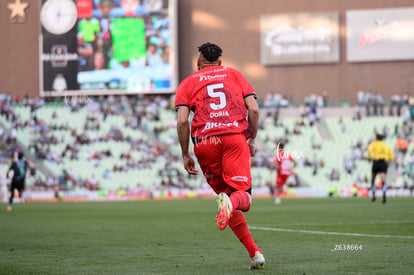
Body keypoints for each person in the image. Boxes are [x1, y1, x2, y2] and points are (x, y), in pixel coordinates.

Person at [175, 42, 265, 269]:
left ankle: (255, 254)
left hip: (205, 142)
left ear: (198, 61)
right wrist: (252, 138)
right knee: (242, 198)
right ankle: (231, 204)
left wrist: (185, 153)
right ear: (220, 62)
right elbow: (253, 109)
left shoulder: (187, 83)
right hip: (234, 138)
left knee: (226, 198)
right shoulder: (234, 74)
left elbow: (182, 121)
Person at [367, 134, 394, 203]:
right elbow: (391, 155)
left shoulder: (374, 144)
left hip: (376, 162)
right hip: (383, 163)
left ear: (376, 138)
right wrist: (387, 160)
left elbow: (369, 150)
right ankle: (384, 194)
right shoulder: (386, 146)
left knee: (373, 178)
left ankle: (373, 194)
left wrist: (369, 158)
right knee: (383, 180)